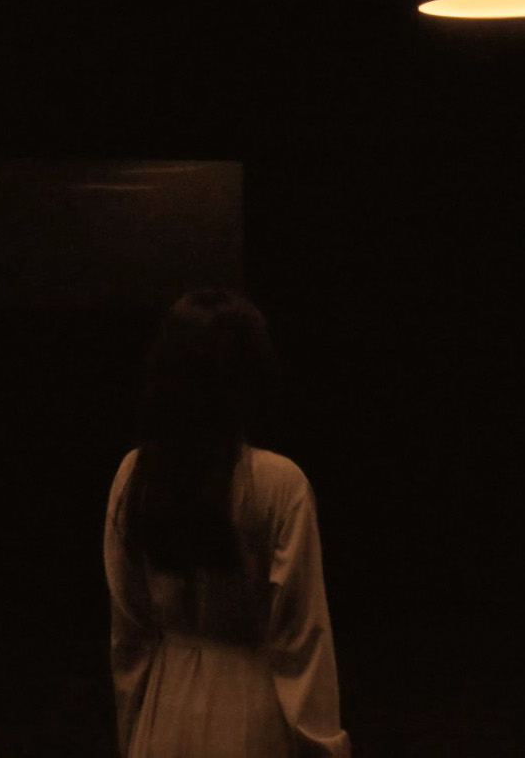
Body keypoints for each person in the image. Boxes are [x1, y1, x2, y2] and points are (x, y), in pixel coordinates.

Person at [102, 289, 348, 757]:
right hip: (251, 716)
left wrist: (134, 732)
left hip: (162, 711)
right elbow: (301, 641)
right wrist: (322, 748)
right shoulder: (278, 484)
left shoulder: (136, 477)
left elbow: (128, 636)